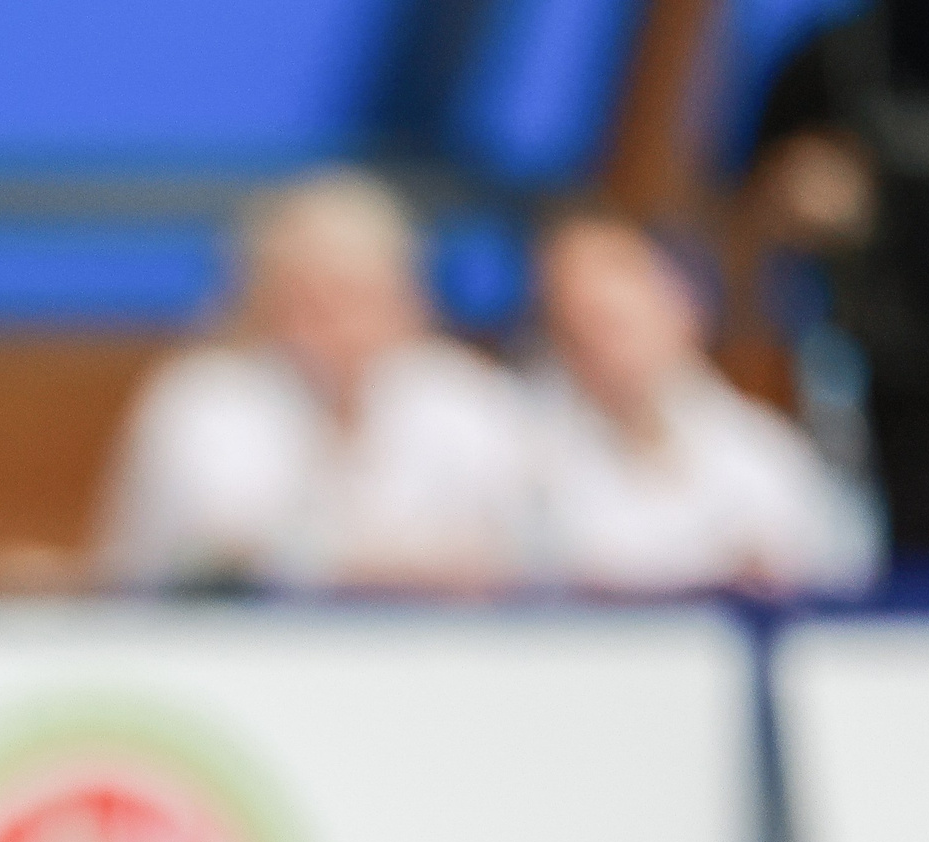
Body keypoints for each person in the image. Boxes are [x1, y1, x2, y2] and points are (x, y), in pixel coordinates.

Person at [97, 170, 529, 594]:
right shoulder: (202, 400)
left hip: (448, 654)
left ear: (410, 299)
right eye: (311, 296)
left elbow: (531, 550)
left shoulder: (465, 397)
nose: (338, 322)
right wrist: (405, 569)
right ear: (262, 300)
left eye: (360, 294)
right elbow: (235, 558)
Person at [529, 213, 877, 597]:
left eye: (614, 324)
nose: (603, 349)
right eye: (576, 330)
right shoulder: (529, 455)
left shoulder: (761, 452)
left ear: (680, 312)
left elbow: (836, 581)